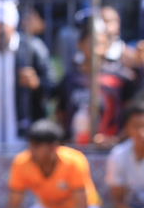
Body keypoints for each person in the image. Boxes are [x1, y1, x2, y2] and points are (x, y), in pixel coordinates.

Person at [55, 13, 141, 145]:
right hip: (76, 146)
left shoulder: (122, 77)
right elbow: (61, 113)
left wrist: (118, 139)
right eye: (91, 42)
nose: (95, 48)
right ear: (80, 44)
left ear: (107, 45)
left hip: (111, 147)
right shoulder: (70, 79)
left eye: (100, 43)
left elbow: (132, 114)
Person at [0, 0, 53, 148]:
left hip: (25, 139)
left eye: (2, 25)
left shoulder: (32, 48)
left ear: (12, 24)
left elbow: (52, 89)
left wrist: (36, 84)